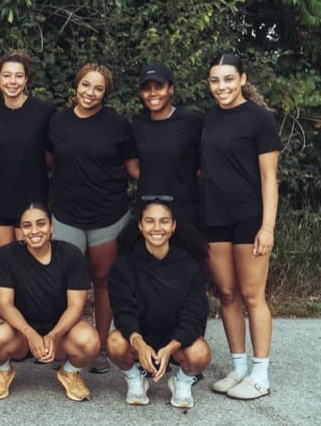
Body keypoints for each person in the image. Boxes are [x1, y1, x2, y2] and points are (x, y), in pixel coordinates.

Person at [47, 63, 139, 373]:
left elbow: (132, 167)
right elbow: (47, 159)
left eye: (98, 88)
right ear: (76, 86)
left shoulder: (117, 125)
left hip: (108, 215)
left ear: (106, 93)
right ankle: (62, 343)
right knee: (64, 281)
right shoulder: (58, 122)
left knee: (103, 280)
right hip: (66, 214)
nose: (90, 92)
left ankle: (99, 346)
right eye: (86, 85)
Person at [202, 52, 281, 400]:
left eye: (229, 79)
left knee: (252, 295)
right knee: (228, 294)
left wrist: (267, 227)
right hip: (214, 217)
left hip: (249, 217)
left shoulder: (259, 119)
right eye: (216, 80)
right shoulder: (208, 118)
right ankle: (238, 369)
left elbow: (269, 178)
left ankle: (260, 375)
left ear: (243, 79)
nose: (222, 86)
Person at [0, 203, 100, 401]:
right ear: (20, 230)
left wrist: (53, 335)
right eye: (27, 225)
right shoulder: (6, 256)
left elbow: (76, 306)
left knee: (90, 340)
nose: (34, 231)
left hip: (59, 334)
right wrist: (29, 333)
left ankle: (70, 372)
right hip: (20, 333)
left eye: (41, 224)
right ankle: (3, 371)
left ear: (51, 226)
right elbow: (4, 305)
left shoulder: (70, 255)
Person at [107, 196, 211, 408]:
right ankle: (135, 379)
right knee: (114, 343)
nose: (157, 227)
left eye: (164, 221)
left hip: (176, 338)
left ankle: (182, 381)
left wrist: (171, 347)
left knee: (200, 353)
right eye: (150, 221)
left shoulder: (190, 265)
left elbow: (194, 314)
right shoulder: (124, 264)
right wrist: (139, 342)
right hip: (142, 336)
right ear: (140, 225)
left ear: (173, 226)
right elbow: (123, 310)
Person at [0, 50, 55, 249]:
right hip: (0, 199)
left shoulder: (44, 112)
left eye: (18, 75)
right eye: (6, 75)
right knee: (6, 262)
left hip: (32, 200)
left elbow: (52, 156)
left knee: (30, 266)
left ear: (26, 79)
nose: (12, 81)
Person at [132, 63, 203, 225]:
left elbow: (207, 160)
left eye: (159, 87)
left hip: (185, 209)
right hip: (149, 209)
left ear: (170, 89)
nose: (153, 93)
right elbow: (131, 162)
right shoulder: (138, 124)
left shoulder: (192, 121)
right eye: (147, 88)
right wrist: (152, 182)